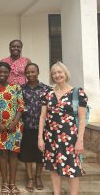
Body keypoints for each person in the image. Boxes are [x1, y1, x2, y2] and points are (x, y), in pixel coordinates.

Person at [38, 61, 88, 195]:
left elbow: (82, 119)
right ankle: (56, 193)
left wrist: (80, 141)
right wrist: (40, 138)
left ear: (65, 73)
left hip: (70, 138)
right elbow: (42, 117)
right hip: (51, 137)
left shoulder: (78, 93)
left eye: (59, 72)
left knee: (72, 168)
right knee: (54, 168)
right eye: (53, 73)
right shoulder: (47, 94)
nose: (57, 75)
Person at [0, 62, 24, 195]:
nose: (2, 74)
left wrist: (14, 123)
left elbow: (20, 107)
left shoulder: (16, 87)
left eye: (5, 72)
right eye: (0, 72)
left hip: (15, 126)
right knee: (2, 154)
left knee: (13, 154)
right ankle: (4, 183)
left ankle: (12, 183)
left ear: (9, 73)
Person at [18, 63, 48, 192]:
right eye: (28, 72)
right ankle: (30, 178)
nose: (30, 74)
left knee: (40, 153)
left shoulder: (46, 89)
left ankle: (38, 177)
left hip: (42, 127)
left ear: (38, 72)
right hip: (26, 126)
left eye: (33, 72)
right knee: (27, 153)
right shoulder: (21, 89)